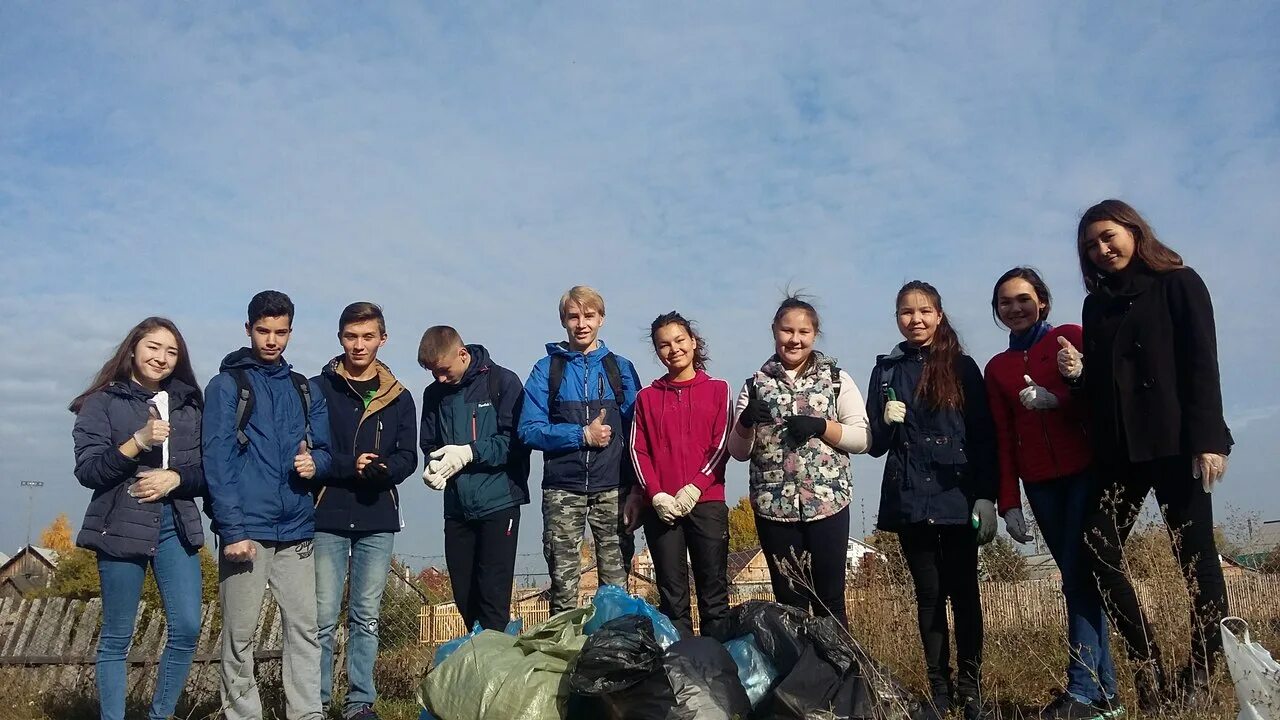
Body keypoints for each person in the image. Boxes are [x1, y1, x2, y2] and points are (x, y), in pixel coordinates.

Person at [1068, 199, 1232, 712]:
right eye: (1091, 244)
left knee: (1196, 560)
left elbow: (1201, 361)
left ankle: (1201, 675)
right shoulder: (1096, 306)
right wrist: (1078, 375)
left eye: (1109, 236)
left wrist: (1210, 439)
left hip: (1176, 442)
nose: (1102, 249)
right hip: (1120, 452)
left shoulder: (1178, 283)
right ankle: (1149, 668)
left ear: (1135, 231)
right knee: (1096, 548)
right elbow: (1103, 384)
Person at [984, 268, 1120, 720]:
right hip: (1039, 482)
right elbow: (1002, 438)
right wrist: (1008, 502)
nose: (1015, 308)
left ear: (1042, 300)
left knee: (1078, 577)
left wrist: (1059, 395)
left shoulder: (1069, 337)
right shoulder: (997, 368)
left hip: (1085, 471)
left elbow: (1103, 397)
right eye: (1005, 302)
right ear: (997, 311)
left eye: (1023, 298)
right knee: (1079, 580)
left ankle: (1081, 692)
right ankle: (1106, 696)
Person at [866, 281, 997, 720]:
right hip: (908, 497)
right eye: (906, 312)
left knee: (964, 593)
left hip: (957, 495)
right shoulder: (886, 370)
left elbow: (982, 434)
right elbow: (876, 444)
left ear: (939, 315)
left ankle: (971, 688)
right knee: (928, 595)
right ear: (897, 318)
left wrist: (986, 496)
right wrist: (885, 421)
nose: (915, 319)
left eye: (924, 311)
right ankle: (939, 692)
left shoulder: (962, 367)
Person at [203, 290, 332, 720]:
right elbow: (216, 462)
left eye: (280, 332)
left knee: (305, 632)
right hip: (247, 533)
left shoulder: (304, 388)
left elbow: (326, 451)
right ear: (248, 330)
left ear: (291, 332)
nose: (272, 340)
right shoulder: (227, 386)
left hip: (296, 528)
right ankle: (243, 715)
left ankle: (307, 714)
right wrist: (232, 530)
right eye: (263, 331)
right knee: (239, 637)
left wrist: (315, 464)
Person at [70, 317, 206, 720]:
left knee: (187, 628)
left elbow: (207, 472)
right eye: (153, 347)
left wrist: (176, 478)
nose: (161, 358)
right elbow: (89, 471)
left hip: (175, 525)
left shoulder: (190, 405)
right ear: (132, 348)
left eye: (171, 352)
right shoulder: (102, 402)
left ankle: (159, 715)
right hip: (120, 524)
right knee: (117, 636)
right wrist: (139, 442)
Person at [727, 295, 871, 628]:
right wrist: (746, 421)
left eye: (803, 332)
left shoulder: (837, 379)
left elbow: (862, 438)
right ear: (774, 331)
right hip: (773, 508)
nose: (795, 339)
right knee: (789, 601)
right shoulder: (754, 385)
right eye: (787, 330)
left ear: (815, 334)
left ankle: (838, 674)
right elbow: (737, 451)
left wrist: (822, 426)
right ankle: (798, 675)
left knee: (830, 600)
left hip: (827, 504)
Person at [311, 302, 418, 720]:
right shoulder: (317, 389)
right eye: (351, 337)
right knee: (320, 618)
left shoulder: (400, 397)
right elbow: (309, 448)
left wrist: (387, 468)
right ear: (340, 338)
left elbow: (409, 455)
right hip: (328, 515)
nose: (359, 345)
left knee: (366, 617)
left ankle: (360, 703)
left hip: (377, 516)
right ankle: (315, 704)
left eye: (367, 336)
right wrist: (347, 464)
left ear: (382, 339)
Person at [518, 285, 643, 615]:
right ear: (563, 321)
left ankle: (617, 656)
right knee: (563, 589)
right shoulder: (547, 369)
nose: (582, 323)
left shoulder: (622, 369)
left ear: (602, 318)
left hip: (613, 488)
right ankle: (564, 657)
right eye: (573, 316)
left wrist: (635, 490)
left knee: (617, 589)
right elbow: (528, 430)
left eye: (589, 315)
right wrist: (581, 436)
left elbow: (638, 434)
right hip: (562, 490)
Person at [419, 325, 529, 631]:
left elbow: (516, 443)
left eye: (442, 370)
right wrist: (432, 467)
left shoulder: (502, 382)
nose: (439, 378)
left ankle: (498, 669)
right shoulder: (434, 395)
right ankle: (479, 661)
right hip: (457, 509)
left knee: (493, 600)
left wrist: (469, 453)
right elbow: (429, 444)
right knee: (465, 598)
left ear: (462, 354)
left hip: (499, 503)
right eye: (432, 372)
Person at [630, 312, 732, 640]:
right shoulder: (646, 397)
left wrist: (696, 487)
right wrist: (655, 494)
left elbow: (721, 444)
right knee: (673, 600)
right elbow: (638, 450)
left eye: (679, 340)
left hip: (707, 503)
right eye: (664, 345)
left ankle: (720, 672)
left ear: (693, 342)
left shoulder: (718, 390)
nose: (673, 349)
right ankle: (683, 674)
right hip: (662, 509)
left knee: (714, 597)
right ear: (657, 352)